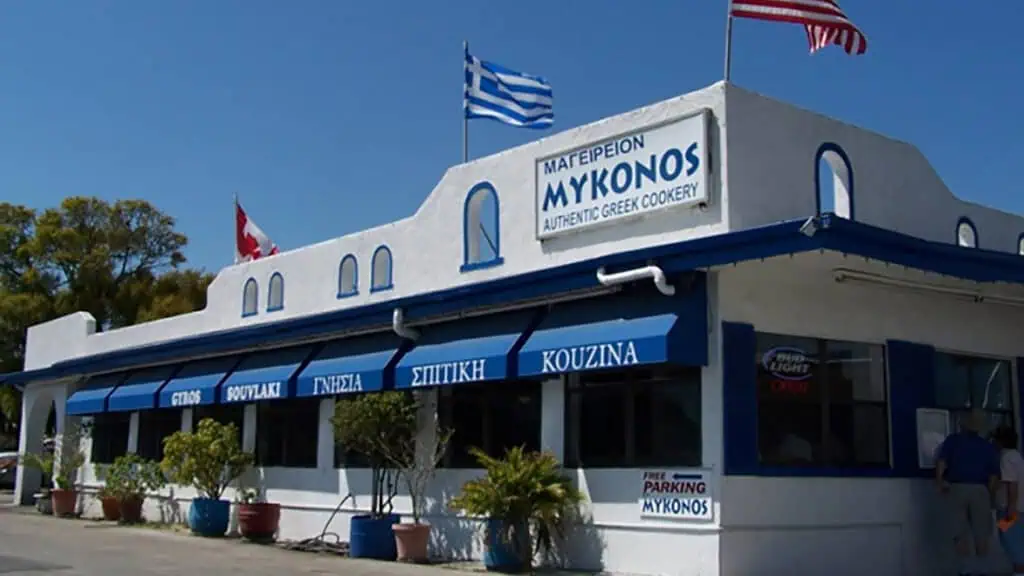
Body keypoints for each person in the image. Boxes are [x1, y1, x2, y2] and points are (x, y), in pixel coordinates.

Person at [935, 409, 1001, 576]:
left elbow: (941, 463)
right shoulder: (987, 447)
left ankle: (966, 570)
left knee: (959, 531)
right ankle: (982, 569)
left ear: (962, 424)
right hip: (980, 489)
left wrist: (940, 483)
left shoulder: (952, 441)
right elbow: (994, 476)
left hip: (957, 487)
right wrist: (991, 496)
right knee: (981, 532)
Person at [992, 426, 1024, 576]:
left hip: (1009, 509)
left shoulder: (1006, 458)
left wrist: (1011, 508)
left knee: (1011, 541)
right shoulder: (1017, 456)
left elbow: (1012, 484)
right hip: (1016, 508)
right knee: (1014, 540)